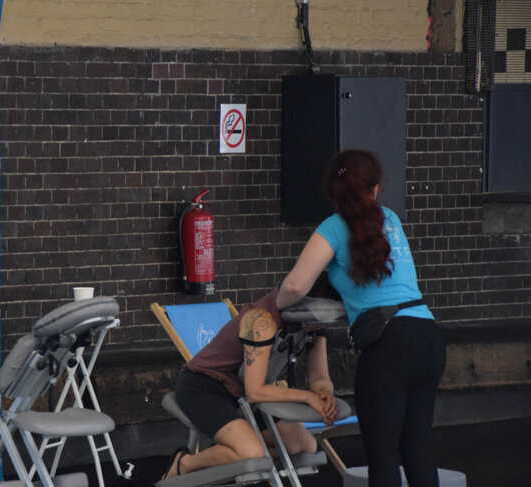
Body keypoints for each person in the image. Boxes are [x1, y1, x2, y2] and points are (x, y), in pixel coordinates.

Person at [276, 149, 445, 487]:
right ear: (375, 188)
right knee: (417, 448)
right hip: (428, 336)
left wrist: (275, 304)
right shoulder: (392, 220)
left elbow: (295, 285)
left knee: (382, 456)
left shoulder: (334, 228)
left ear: (335, 192)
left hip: (389, 347)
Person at [163, 286, 338, 479]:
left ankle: (230, 450)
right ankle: (184, 463)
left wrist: (324, 393)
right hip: (206, 386)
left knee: (303, 447)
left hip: (243, 395)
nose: (319, 326)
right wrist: (309, 397)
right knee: (250, 452)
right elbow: (255, 391)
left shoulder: (314, 324)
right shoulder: (261, 321)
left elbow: (320, 377)